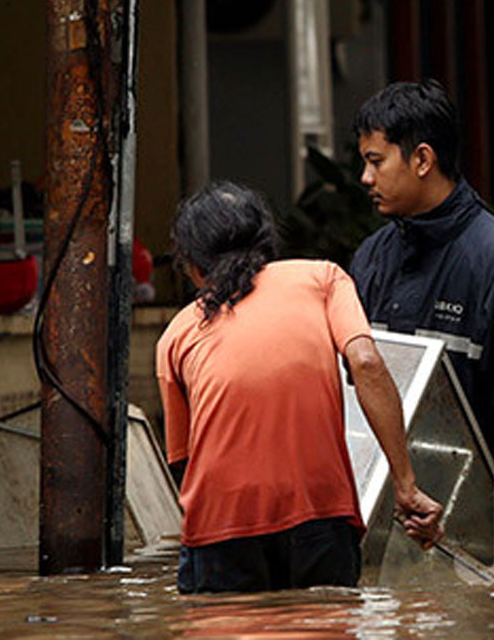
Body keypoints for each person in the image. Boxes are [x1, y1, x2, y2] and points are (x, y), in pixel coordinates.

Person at [156, 182, 443, 594]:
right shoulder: (322, 278)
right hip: (320, 514)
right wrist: (405, 485)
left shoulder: (177, 334)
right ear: (265, 242)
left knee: (222, 622)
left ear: (193, 265)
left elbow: (184, 462)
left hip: (222, 528)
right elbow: (366, 362)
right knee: (325, 619)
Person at [349, 81, 494, 566]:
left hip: (477, 525)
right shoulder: (371, 259)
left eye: (376, 161)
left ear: (422, 159)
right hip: (387, 516)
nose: (365, 177)